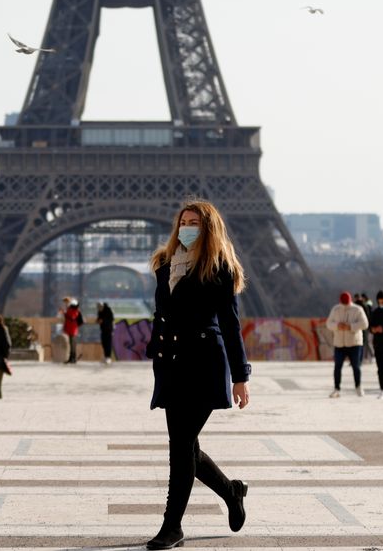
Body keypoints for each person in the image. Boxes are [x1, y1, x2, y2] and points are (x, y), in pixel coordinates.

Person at [145, 200, 251, 550]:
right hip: (172, 363)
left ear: (208, 228)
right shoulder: (164, 263)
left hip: (204, 363)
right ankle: (231, 491)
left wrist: (240, 375)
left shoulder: (218, 267)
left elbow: (231, 326)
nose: (186, 227)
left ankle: (171, 527)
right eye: (183, 221)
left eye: (194, 223)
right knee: (186, 445)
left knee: (180, 447)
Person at [326, 292, 369, 398]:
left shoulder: (357, 309)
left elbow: (365, 324)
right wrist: (337, 326)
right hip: (339, 344)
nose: (345, 305)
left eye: (347, 303)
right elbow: (328, 324)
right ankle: (337, 388)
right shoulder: (335, 309)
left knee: (356, 367)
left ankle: (358, 387)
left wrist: (350, 326)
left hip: (354, 343)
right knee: (337, 367)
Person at [60, 297, 82, 364]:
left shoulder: (75, 310)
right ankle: (71, 358)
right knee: (71, 344)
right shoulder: (71, 309)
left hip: (73, 329)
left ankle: (73, 358)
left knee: (72, 344)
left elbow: (72, 317)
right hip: (70, 328)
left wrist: (64, 313)